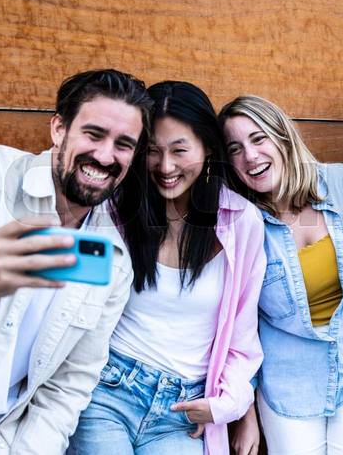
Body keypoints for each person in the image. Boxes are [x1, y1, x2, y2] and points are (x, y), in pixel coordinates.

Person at [0, 69, 151, 454]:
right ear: (59, 128)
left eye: (124, 144)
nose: (106, 156)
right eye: (93, 134)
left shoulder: (114, 259)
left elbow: (68, 387)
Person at [68, 81, 265, 455]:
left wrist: (232, 404)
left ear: (208, 149)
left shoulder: (241, 222)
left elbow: (243, 336)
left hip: (183, 413)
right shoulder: (111, 211)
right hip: (106, 391)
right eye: (153, 151)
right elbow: (73, 304)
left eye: (180, 150)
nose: (166, 166)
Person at [219, 95, 343, 455]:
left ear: (282, 137)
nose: (250, 157)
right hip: (289, 388)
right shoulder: (239, 223)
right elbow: (240, 326)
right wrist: (246, 411)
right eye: (235, 148)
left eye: (258, 139)